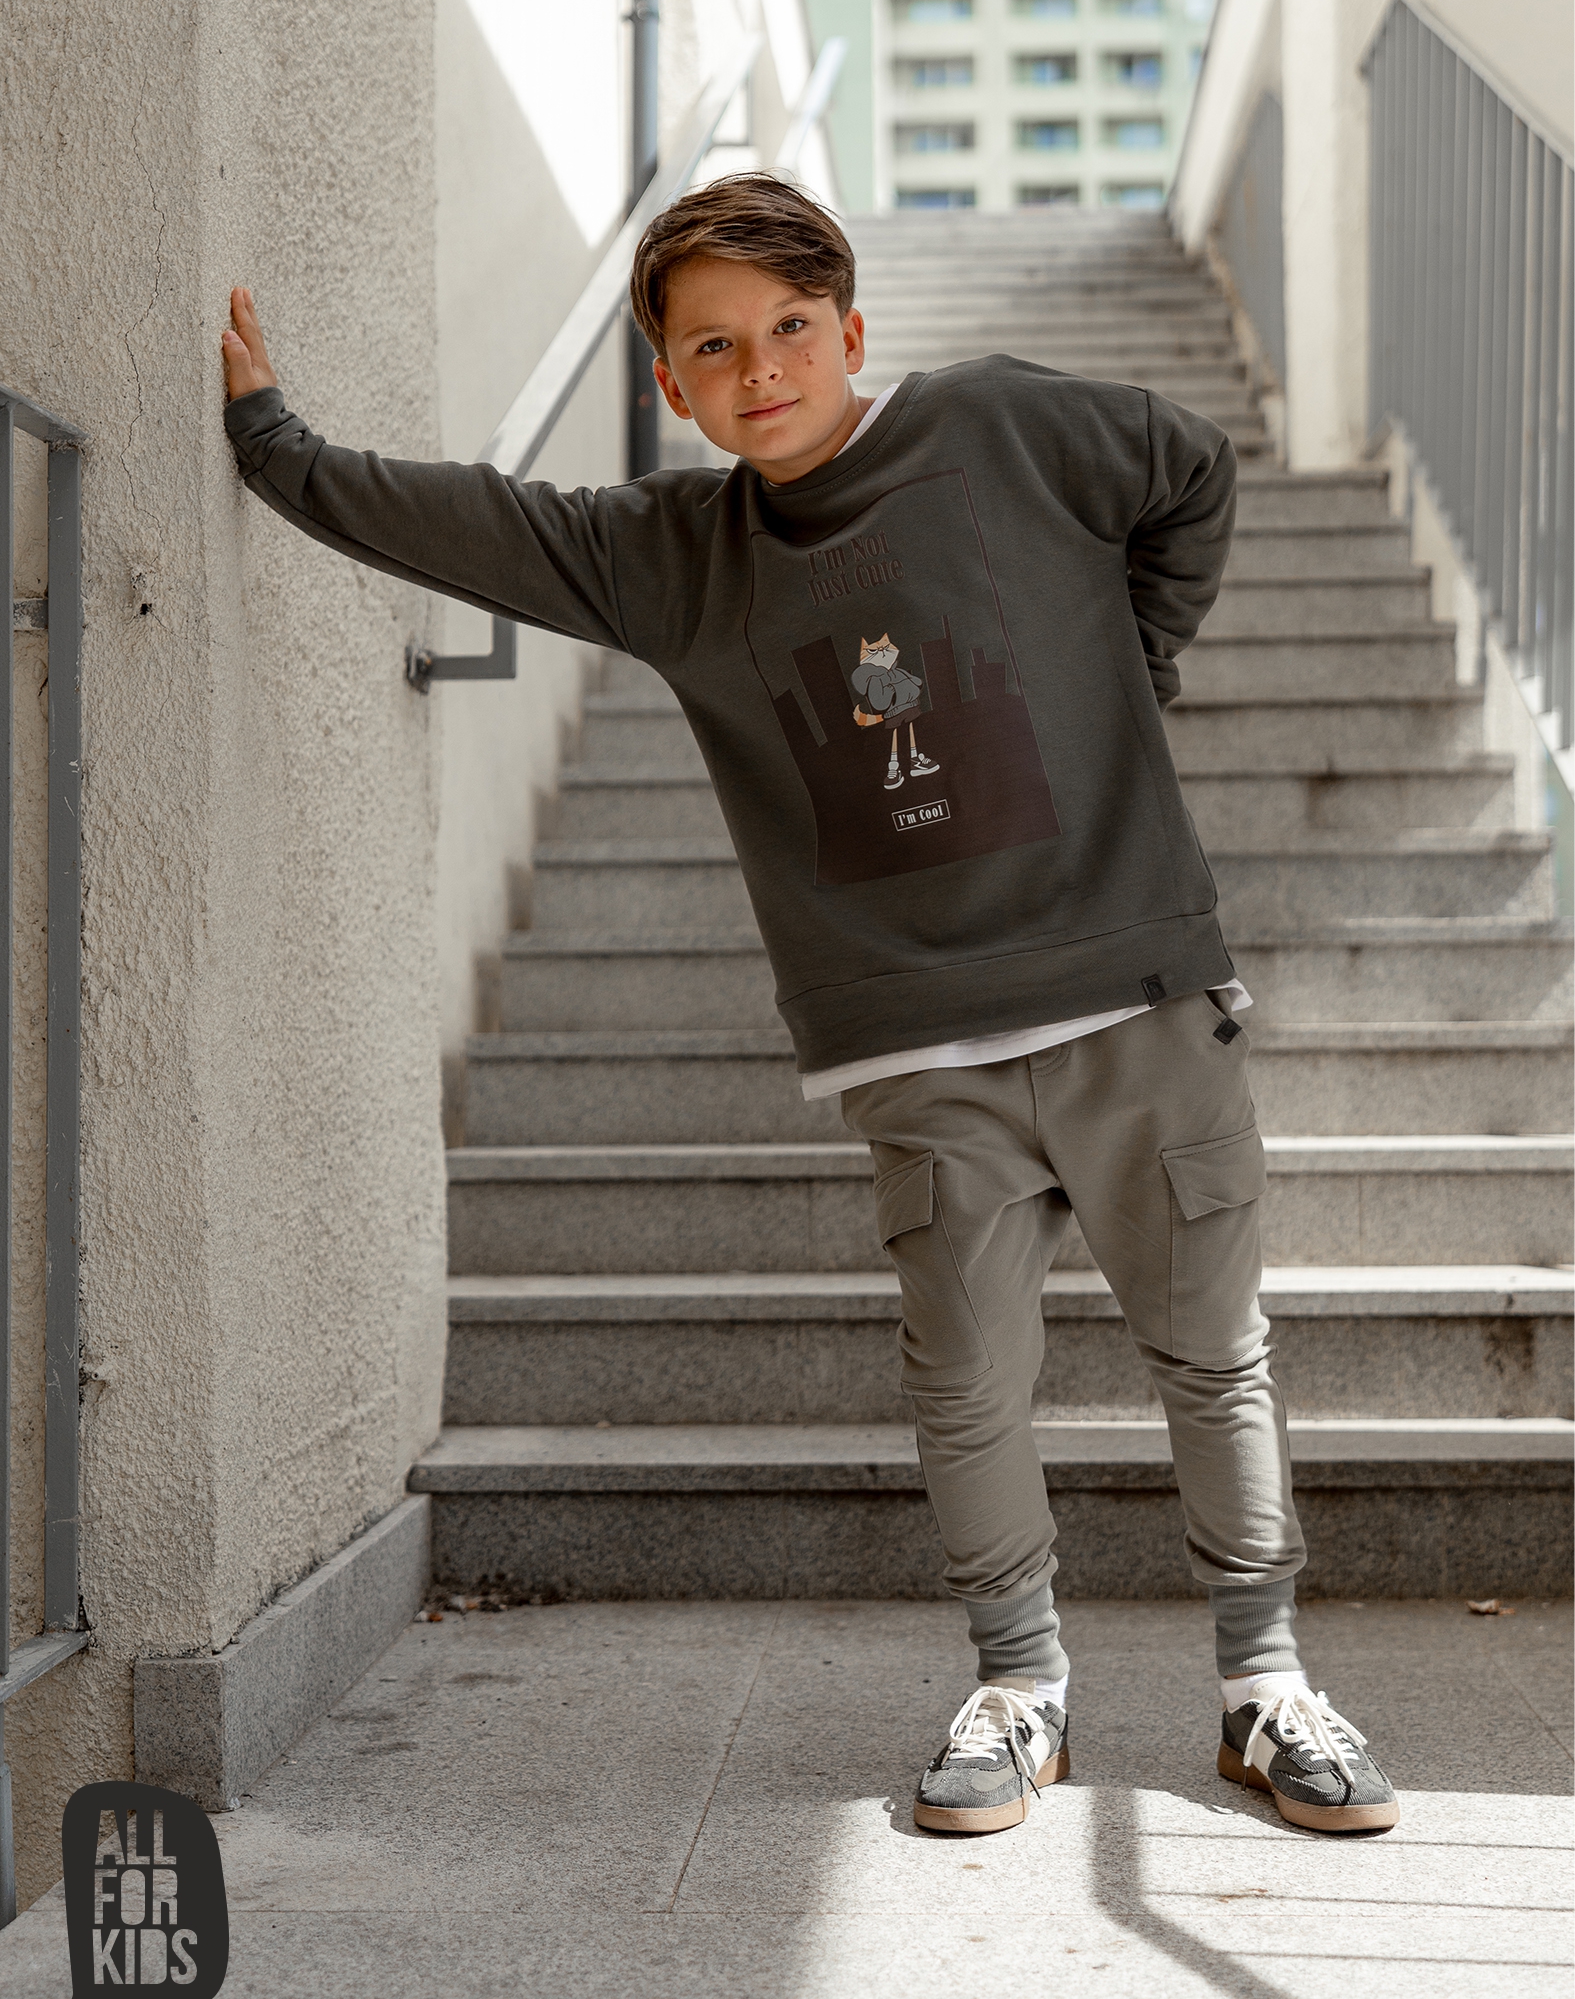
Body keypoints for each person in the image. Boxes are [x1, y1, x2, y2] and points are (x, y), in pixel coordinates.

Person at [221, 171, 1397, 1839]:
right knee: (966, 1383)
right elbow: (477, 521)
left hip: (1132, 995)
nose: (760, 366)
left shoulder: (1001, 427)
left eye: (789, 326)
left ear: (851, 330)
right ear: (670, 382)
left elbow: (1191, 472)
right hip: (919, 1050)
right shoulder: (672, 557)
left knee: (1213, 1354)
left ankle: (1264, 1683)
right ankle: (1020, 1683)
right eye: (715, 345)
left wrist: (1141, 666)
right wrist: (276, 447)